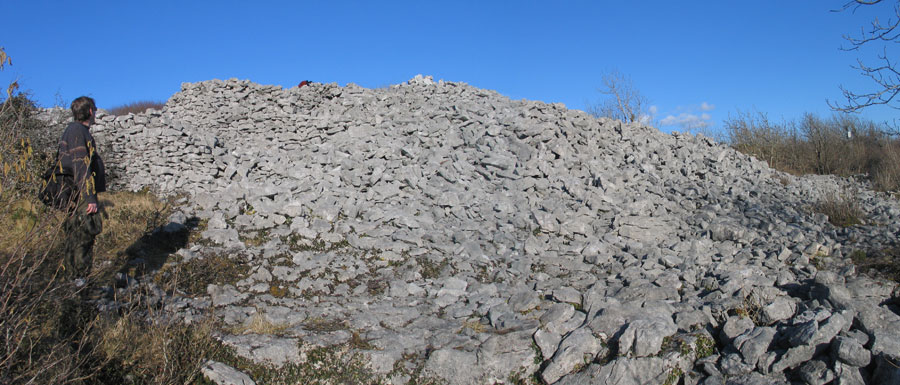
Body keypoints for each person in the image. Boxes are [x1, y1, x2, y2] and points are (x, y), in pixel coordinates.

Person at [58, 96, 106, 280]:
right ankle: (79, 281)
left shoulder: (74, 130)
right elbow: (80, 166)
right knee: (83, 236)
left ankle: (72, 280)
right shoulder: (78, 132)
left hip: (75, 193)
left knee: (76, 237)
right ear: (91, 111)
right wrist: (90, 198)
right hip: (80, 196)